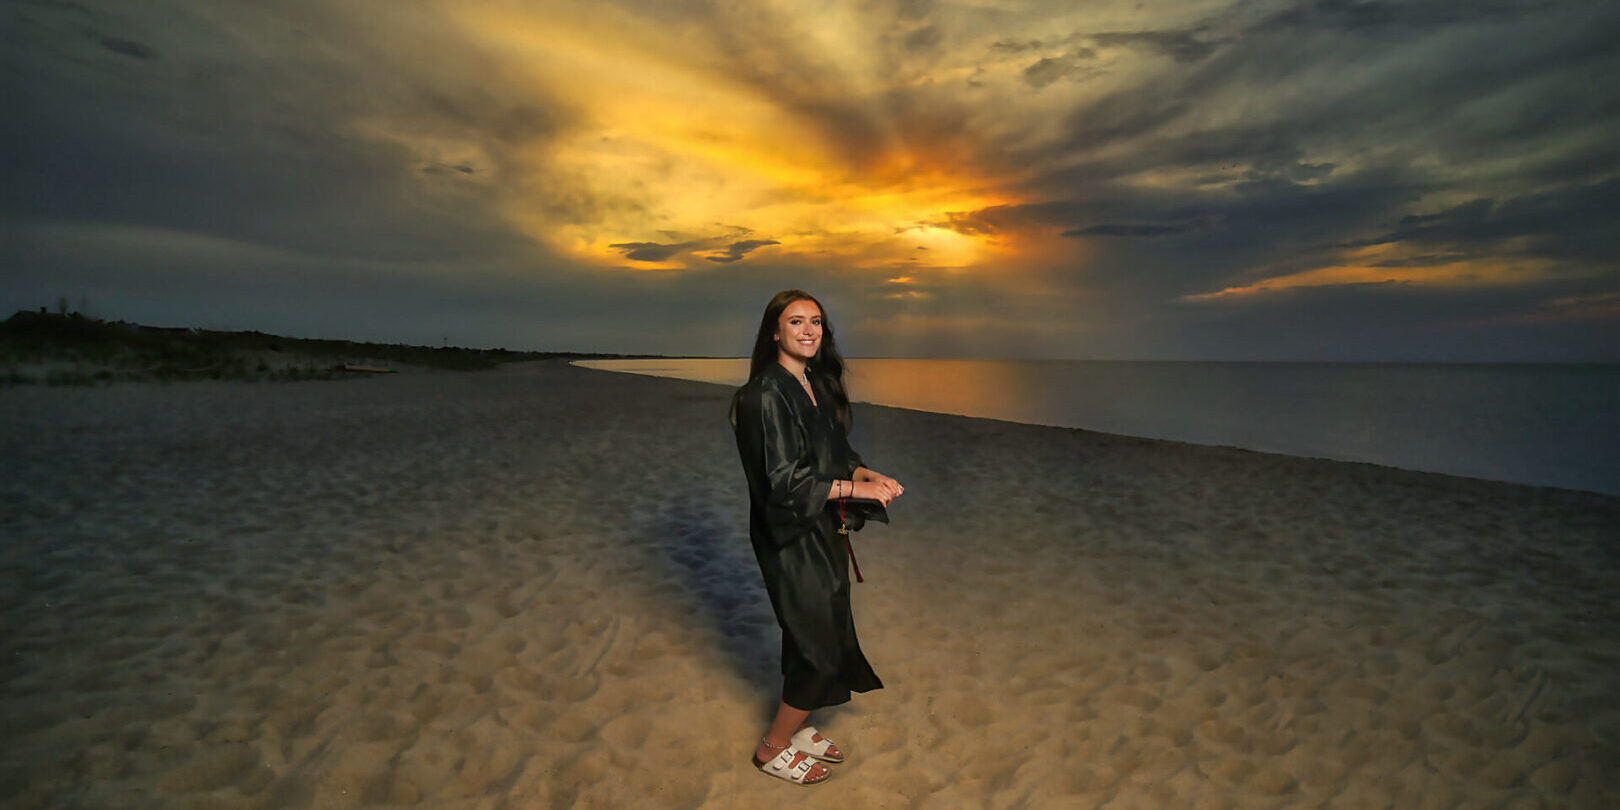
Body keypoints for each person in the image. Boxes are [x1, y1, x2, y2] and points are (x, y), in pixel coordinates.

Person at [729, 289, 904, 786]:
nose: (808, 331)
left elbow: (837, 452)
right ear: (775, 332)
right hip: (787, 533)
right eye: (796, 322)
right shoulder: (763, 394)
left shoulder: (812, 384)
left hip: (822, 525)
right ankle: (773, 747)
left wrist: (869, 475)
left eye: (816, 322)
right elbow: (784, 482)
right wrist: (854, 487)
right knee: (816, 643)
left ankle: (801, 724)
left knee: (826, 622)